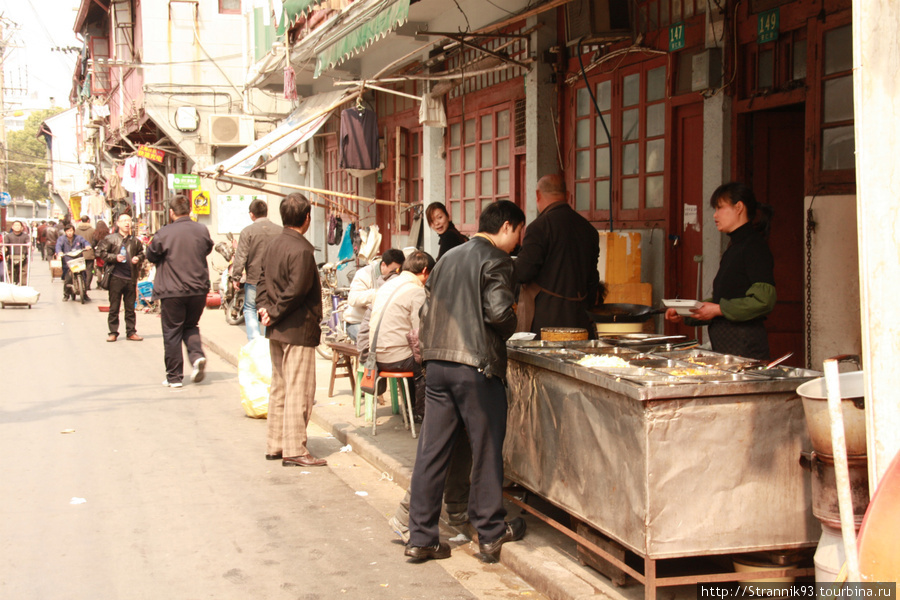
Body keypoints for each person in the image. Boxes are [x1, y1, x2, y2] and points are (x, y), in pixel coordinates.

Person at [406, 200, 527, 564]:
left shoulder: (447, 257)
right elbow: (498, 313)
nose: (520, 240)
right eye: (520, 231)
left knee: (431, 452)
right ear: (506, 227)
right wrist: (513, 318)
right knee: (486, 447)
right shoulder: (497, 260)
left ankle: (421, 537)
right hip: (475, 367)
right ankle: (490, 532)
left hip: (438, 365)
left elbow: (427, 310)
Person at [665, 182, 776, 360]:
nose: (715, 215)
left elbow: (763, 301)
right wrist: (686, 311)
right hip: (727, 345)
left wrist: (718, 309)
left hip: (746, 347)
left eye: (720, 208)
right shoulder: (734, 247)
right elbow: (726, 297)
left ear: (739, 207)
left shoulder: (754, 246)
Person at [256, 193, 326, 467]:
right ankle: (295, 449)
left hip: (276, 327)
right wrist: (271, 311)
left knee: (280, 387)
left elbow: (260, 280)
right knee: (299, 389)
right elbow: (296, 290)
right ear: (307, 218)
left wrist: (265, 309)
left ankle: (276, 445)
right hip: (297, 328)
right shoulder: (303, 250)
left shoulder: (273, 245)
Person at [514, 174, 603, 338]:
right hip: (579, 319)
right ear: (568, 195)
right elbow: (593, 280)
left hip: (545, 321)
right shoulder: (588, 229)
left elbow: (524, 272)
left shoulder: (539, 227)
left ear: (538, 195)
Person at [146, 195, 214, 388]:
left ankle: (174, 377)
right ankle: (197, 357)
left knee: (172, 332)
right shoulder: (201, 229)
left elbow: (151, 254)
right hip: (198, 289)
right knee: (191, 325)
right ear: (189, 210)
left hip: (172, 290)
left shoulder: (164, 232)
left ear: (171, 212)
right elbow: (207, 248)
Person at [370, 250, 435, 423]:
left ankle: (412, 409)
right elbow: (419, 333)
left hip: (376, 357)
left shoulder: (387, 286)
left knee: (418, 358)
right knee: (429, 365)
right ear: (425, 271)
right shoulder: (416, 291)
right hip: (396, 359)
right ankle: (425, 415)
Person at [230, 199, 282, 340]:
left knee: (250, 308)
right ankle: (268, 339)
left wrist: (235, 278)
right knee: (271, 308)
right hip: (275, 279)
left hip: (254, 278)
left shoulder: (247, 232)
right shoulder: (280, 230)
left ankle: (254, 340)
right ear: (266, 212)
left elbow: (241, 256)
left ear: (251, 214)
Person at [97, 214, 145, 342]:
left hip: (130, 278)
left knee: (130, 308)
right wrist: (114, 257)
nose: (126, 223)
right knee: (114, 307)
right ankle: (113, 332)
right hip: (116, 277)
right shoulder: (110, 239)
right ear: (117, 223)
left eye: (129, 220)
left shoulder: (135, 241)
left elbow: (142, 253)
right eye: (123, 221)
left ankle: (131, 332)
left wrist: (138, 258)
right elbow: (101, 252)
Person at [344, 248, 405, 342]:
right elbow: (353, 299)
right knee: (372, 343)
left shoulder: (398, 276)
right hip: (357, 322)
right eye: (393, 270)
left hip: (382, 324)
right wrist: (378, 293)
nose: (396, 274)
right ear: (383, 265)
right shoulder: (364, 273)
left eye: (398, 271)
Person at [55, 223, 92, 300]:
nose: (70, 233)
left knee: (84, 275)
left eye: (71, 231)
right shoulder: (62, 239)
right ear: (65, 232)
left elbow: (85, 242)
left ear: (74, 231)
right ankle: (66, 295)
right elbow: (58, 246)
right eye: (68, 231)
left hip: (78, 259)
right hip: (67, 261)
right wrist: (59, 252)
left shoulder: (78, 238)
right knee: (67, 278)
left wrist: (87, 246)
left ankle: (84, 294)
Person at [3, 220, 31, 285]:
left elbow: (28, 242)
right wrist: (5, 248)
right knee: (10, 272)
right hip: (11, 257)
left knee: (23, 272)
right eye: (15, 225)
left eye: (18, 225)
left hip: (22, 257)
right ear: (12, 227)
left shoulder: (25, 236)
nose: (17, 227)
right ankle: (10, 286)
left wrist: (29, 244)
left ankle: (23, 286)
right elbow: (5, 244)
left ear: (22, 227)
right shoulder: (8, 236)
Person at [75, 216, 96, 291]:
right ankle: (87, 285)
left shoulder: (76, 230)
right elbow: (94, 241)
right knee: (89, 270)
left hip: (79, 253)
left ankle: (81, 284)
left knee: (80, 270)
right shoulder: (92, 230)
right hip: (89, 253)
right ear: (88, 220)